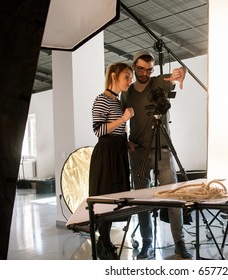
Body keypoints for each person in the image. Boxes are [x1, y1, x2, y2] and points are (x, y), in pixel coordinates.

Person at [121, 50, 192, 259]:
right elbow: (120, 119)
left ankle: (179, 242)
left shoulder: (158, 82)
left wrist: (182, 72)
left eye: (149, 69)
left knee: (173, 196)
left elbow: (177, 74)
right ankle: (147, 243)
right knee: (142, 200)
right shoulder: (127, 93)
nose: (144, 73)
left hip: (162, 150)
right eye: (141, 69)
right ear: (134, 66)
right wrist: (125, 141)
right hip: (138, 152)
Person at [89, 63, 135, 260]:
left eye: (130, 76)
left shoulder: (118, 101)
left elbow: (115, 130)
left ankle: (104, 244)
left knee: (116, 197)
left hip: (118, 152)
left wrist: (127, 143)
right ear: (114, 76)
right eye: (126, 76)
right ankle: (105, 245)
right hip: (106, 154)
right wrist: (123, 119)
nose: (130, 80)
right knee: (105, 198)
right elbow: (98, 130)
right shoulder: (101, 100)